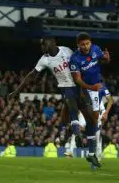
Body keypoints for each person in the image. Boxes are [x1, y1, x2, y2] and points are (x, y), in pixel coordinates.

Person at [8, 36, 98, 167]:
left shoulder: (66, 51)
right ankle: (77, 133)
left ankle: (91, 154)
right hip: (65, 87)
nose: (43, 47)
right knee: (72, 108)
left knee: (91, 120)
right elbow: (32, 75)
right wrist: (16, 91)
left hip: (80, 86)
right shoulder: (44, 60)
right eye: (41, 45)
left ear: (53, 42)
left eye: (44, 44)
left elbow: (81, 63)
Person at [69, 32, 111, 168]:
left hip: (96, 88)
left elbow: (104, 62)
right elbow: (77, 80)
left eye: (87, 43)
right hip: (83, 90)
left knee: (94, 122)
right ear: (78, 45)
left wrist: (106, 59)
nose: (86, 46)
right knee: (92, 121)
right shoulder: (74, 59)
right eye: (82, 44)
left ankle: (92, 153)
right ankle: (91, 151)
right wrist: (90, 87)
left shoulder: (96, 49)